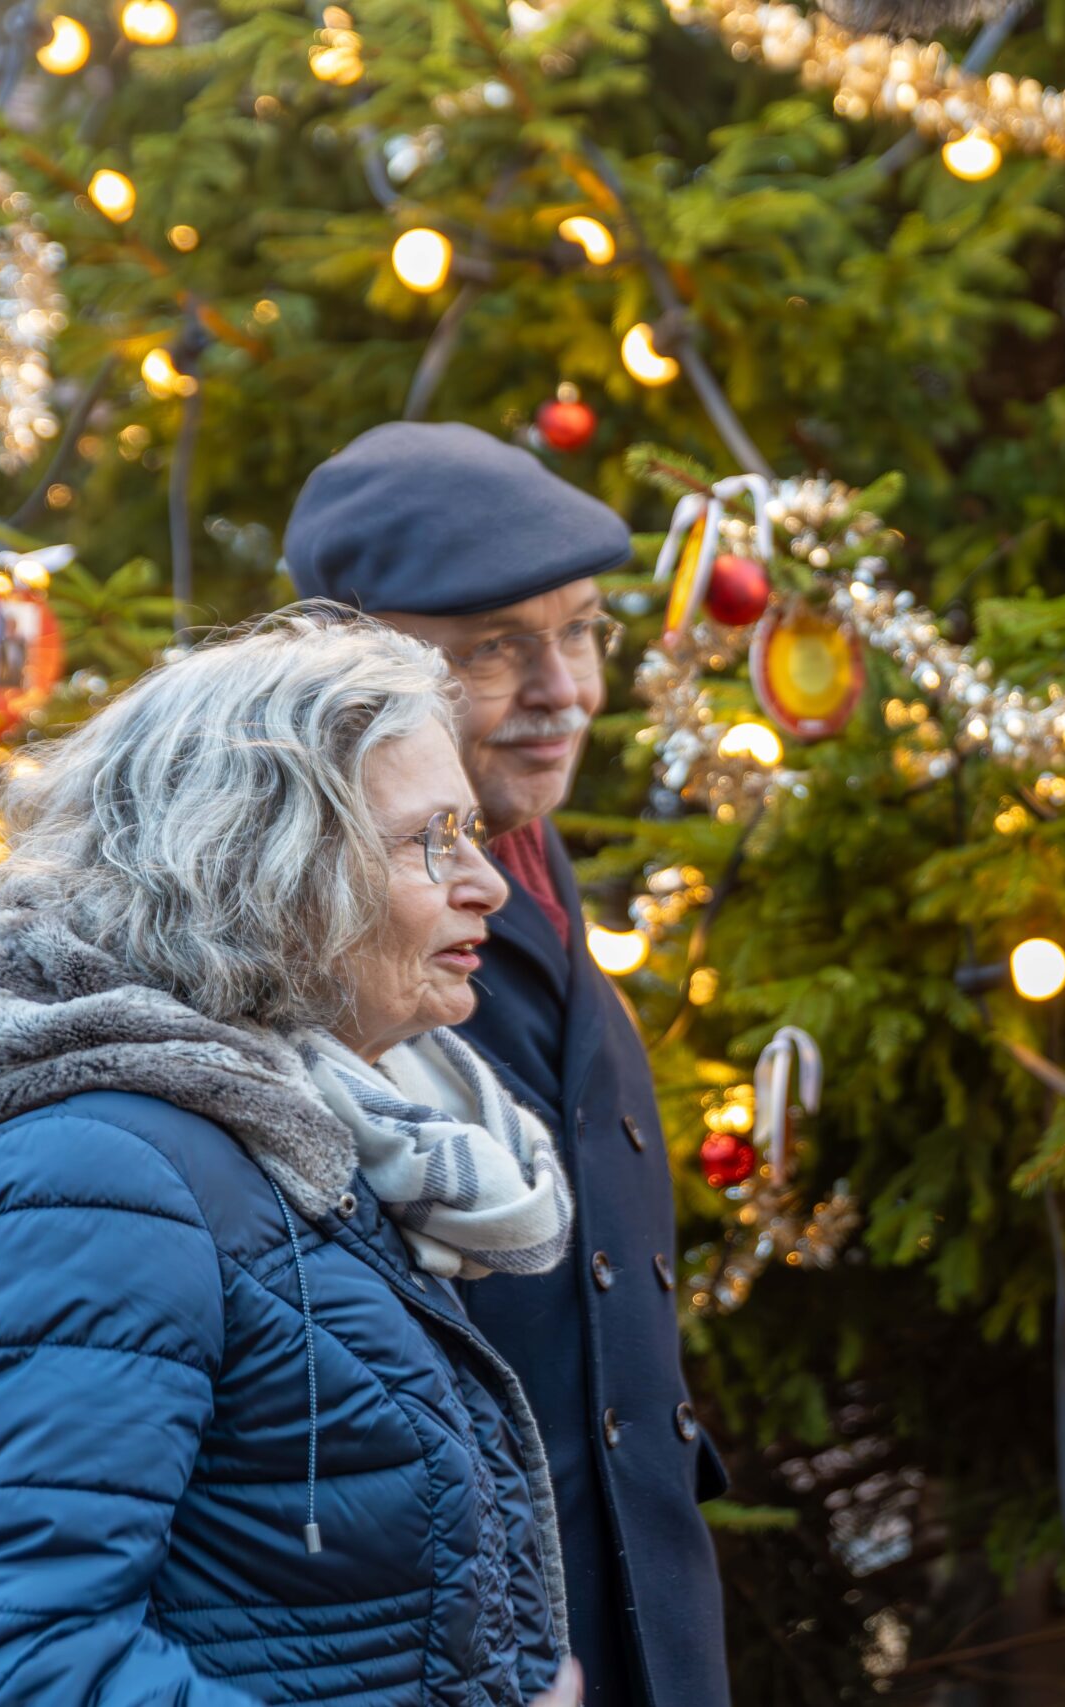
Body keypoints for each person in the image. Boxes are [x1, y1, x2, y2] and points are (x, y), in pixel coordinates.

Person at [0, 611, 586, 1707]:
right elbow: (19, 1675)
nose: (487, 884)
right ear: (267, 864)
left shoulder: (309, 1130)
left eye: (471, 832)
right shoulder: (91, 1180)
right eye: (431, 840)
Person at [284, 422, 730, 1707]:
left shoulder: (521, 849)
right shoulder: (325, 927)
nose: (565, 689)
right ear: (351, 664)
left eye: (581, 631)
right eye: (492, 648)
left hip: (614, 1600)